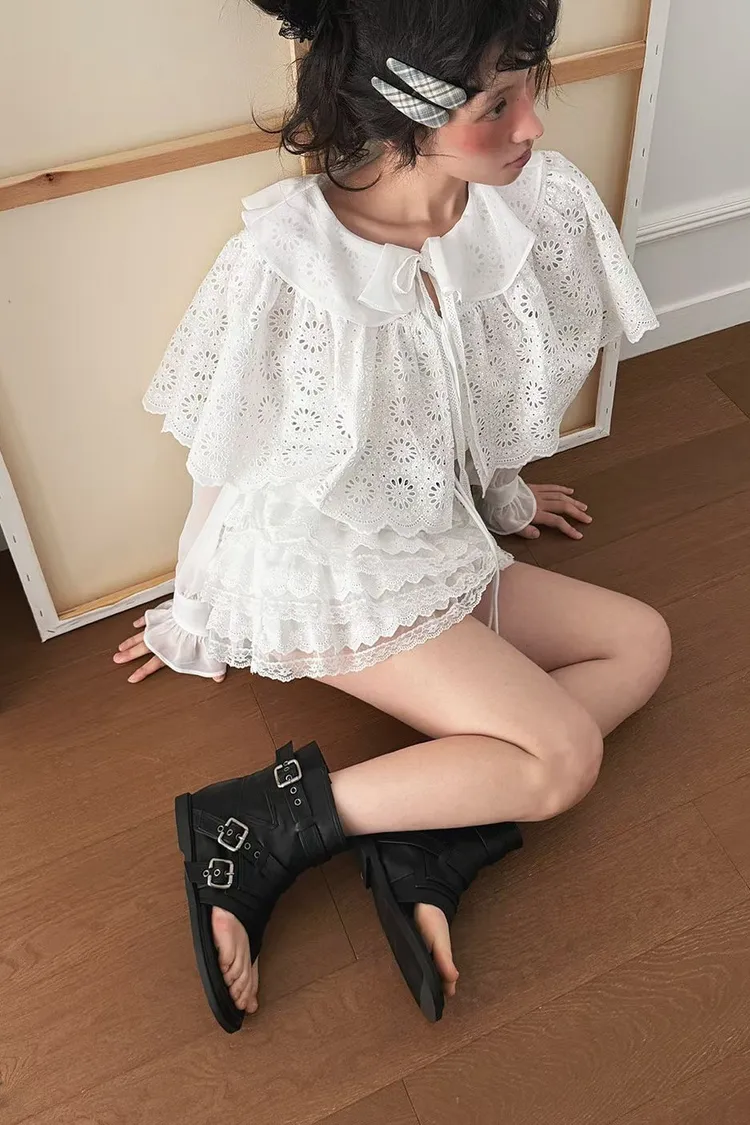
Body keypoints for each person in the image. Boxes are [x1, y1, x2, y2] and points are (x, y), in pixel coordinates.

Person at [114, 0, 671, 1032]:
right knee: (562, 758)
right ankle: (256, 822)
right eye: (495, 106)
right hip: (322, 570)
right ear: (406, 112)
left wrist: (502, 499)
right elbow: (225, 457)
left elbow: (482, 401)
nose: (532, 125)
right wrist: (194, 611)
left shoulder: (519, 207)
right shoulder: (290, 263)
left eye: (529, 87)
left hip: (434, 543)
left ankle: (434, 828)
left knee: (642, 642)